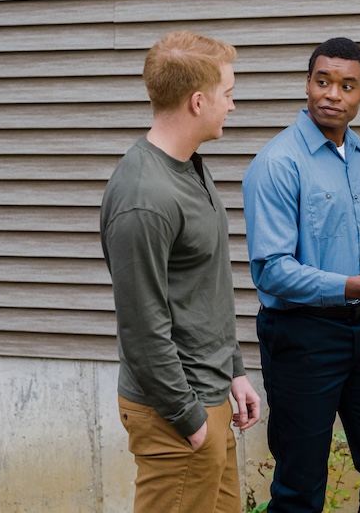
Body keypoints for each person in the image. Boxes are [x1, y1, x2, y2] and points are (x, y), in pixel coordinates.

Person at [242, 37, 360, 513]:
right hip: (302, 339)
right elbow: (271, 271)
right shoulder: (277, 163)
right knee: (300, 486)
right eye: (323, 81)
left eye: (347, 85)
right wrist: (352, 286)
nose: (332, 94)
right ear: (307, 84)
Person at [100, 30, 260, 513]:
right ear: (197, 101)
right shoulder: (144, 199)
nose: (232, 106)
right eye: (227, 94)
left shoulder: (190, 166)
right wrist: (189, 419)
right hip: (176, 410)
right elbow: (142, 328)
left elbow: (202, 288)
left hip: (209, 393)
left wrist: (233, 370)